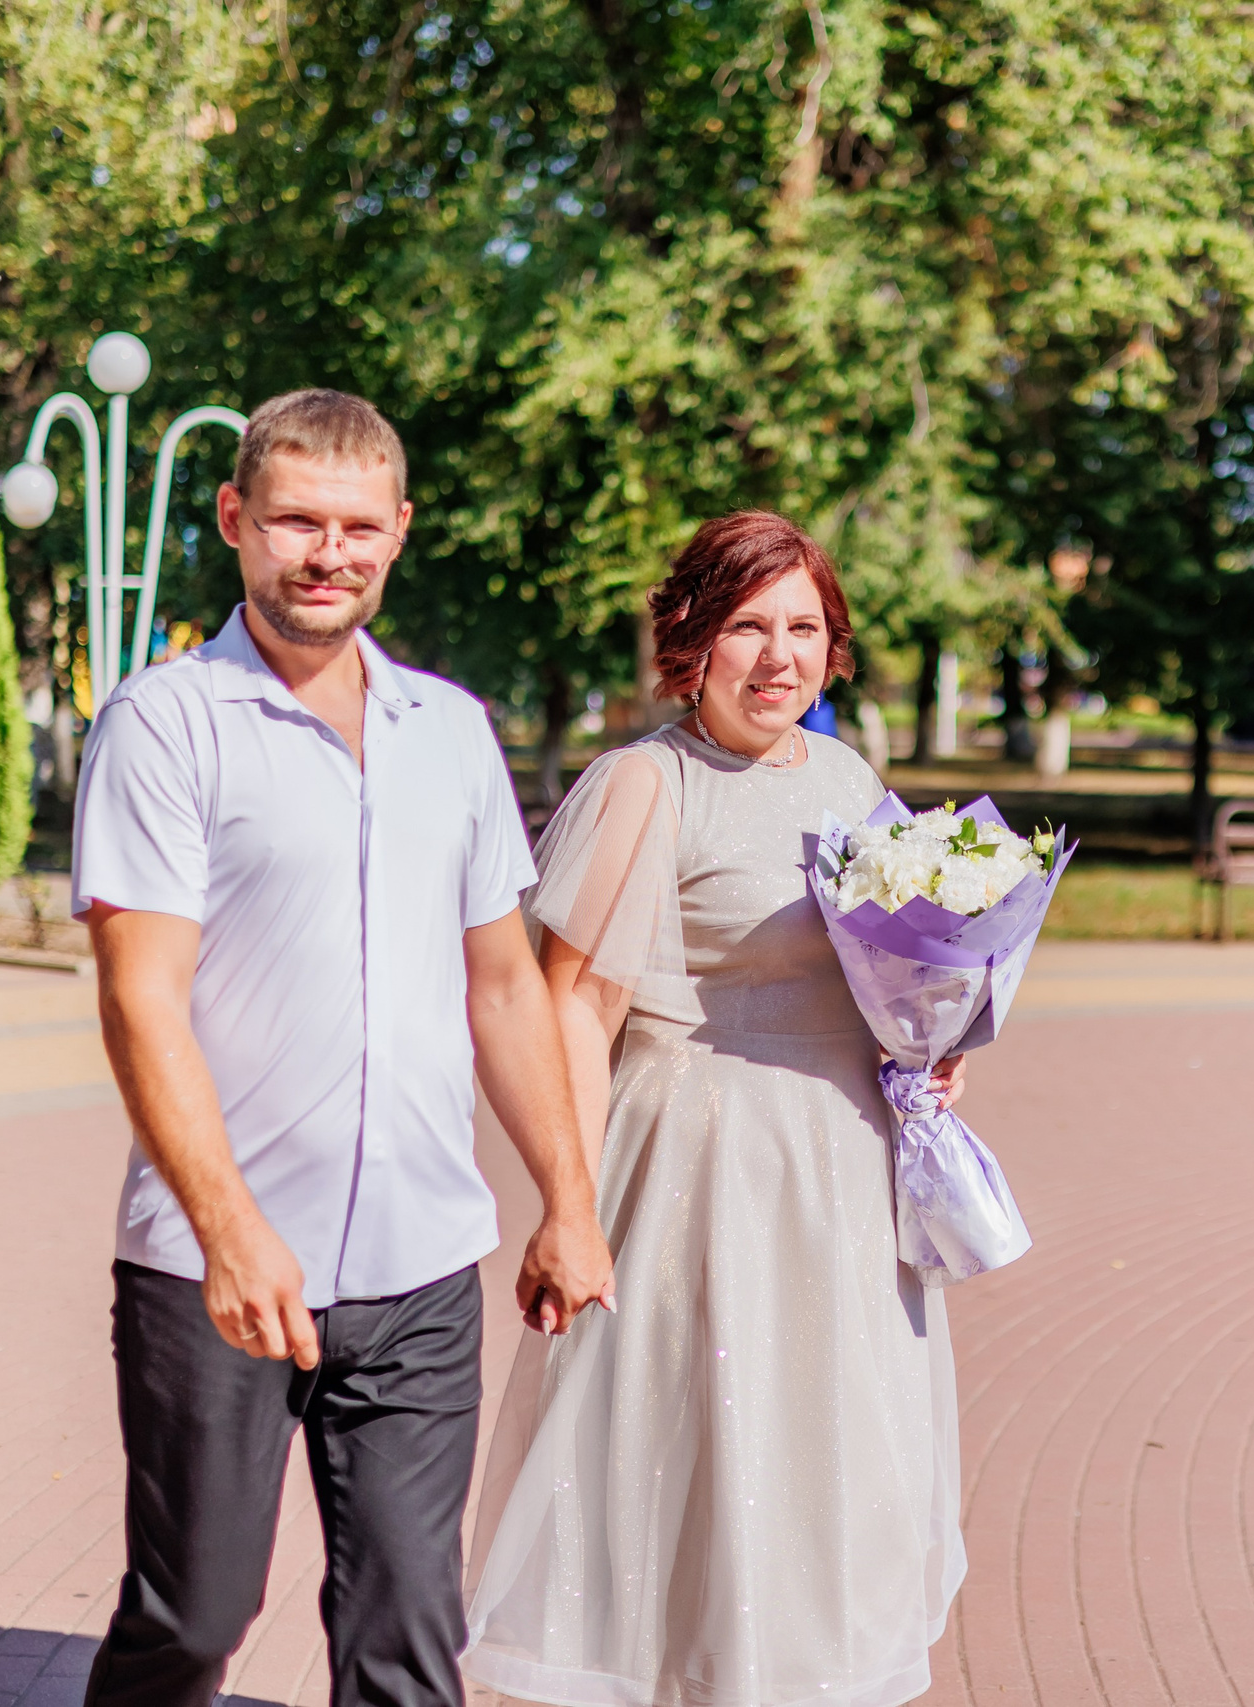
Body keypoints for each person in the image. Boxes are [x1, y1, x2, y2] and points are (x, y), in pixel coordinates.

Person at [69, 388, 614, 1707]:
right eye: (297, 520)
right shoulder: (165, 721)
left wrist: (569, 1200)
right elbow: (141, 998)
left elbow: (503, 988)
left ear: (400, 530)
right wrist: (228, 1227)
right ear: (234, 519)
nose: (328, 552)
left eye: (357, 526)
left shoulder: (453, 730)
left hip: (423, 1267)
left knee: (409, 1643)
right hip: (220, 1263)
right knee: (193, 1616)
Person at [464, 511, 969, 1707]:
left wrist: (933, 1051)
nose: (778, 657)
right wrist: (566, 1207)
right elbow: (572, 1012)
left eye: (804, 628)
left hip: (840, 1179)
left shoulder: (849, 781)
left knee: (820, 1459)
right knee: (692, 1453)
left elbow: (897, 967)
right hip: (697, 1168)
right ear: (691, 635)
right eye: (749, 625)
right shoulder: (643, 785)